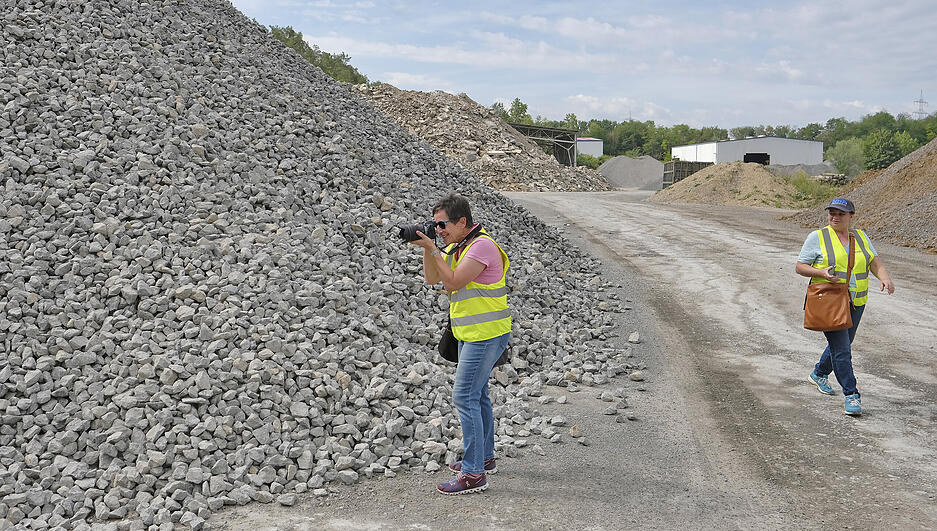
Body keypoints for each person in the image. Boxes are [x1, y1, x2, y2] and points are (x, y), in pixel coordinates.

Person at [409, 193, 511, 495]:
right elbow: (432, 279)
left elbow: (452, 282)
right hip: (470, 333)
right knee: (477, 396)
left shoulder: (482, 247)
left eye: (442, 225)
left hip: (486, 334)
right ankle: (484, 457)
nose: (439, 230)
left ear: (462, 222)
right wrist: (429, 250)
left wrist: (434, 249)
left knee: (464, 397)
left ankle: (473, 474)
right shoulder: (459, 245)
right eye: (435, 225)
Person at [795, 197, 895, 416]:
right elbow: (800, 267)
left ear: (851, 216)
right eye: (832, 212)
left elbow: (873, 262)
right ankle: (852, 395)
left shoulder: (860, 237)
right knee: (842, 350)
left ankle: (819, 373)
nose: (835, 217)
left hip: (856, 302)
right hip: (830, 302)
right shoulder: (817, 236)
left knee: (844, 342)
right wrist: (820, 273)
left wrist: (885, 277)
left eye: (840, 214)